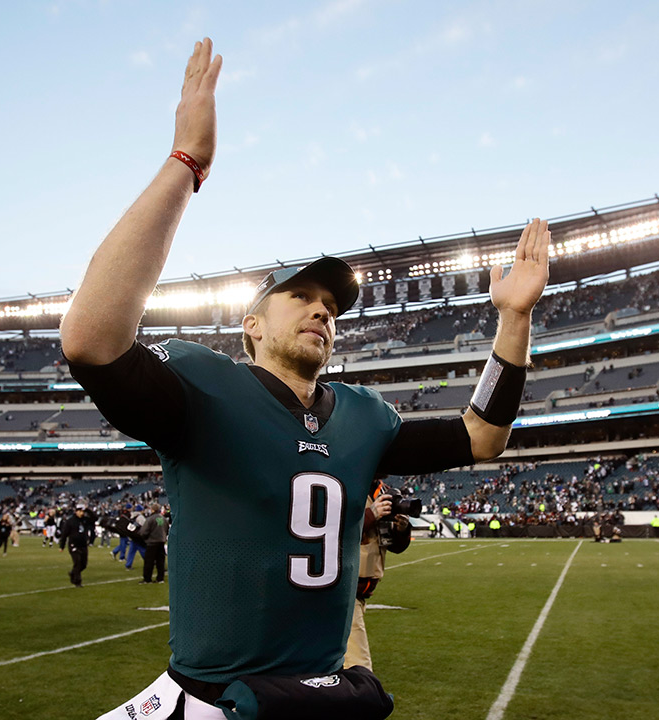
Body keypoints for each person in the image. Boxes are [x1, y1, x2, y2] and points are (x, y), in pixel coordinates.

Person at [64, 39, 544, 719]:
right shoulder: (206, 387)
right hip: (209, 701)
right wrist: (185, 165)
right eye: (302, 297)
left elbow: (483, 438)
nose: (323, 308)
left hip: (320, 698)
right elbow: (89, 338)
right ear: (251, 327)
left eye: (332, 305)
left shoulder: (363, 416)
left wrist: (514, 319)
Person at [344, 482, 411, 671]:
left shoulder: (384, 490)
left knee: (339, 664)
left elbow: (394, 545)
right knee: (360, 667)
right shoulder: (349, 482)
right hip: (345, 589)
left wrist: (402, 530)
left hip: (362, 592)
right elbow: (331, 528)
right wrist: (370, 515)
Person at [58, 503, 93, 587]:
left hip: (83, 545)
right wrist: (62, 546)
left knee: (83, 564)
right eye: (80, 511)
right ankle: (77, 581)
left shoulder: (85, 520)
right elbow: (64, 534)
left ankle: (73, 573)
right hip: (74, 545)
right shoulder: (70, 521)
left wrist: (88, 510)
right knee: (77, 562)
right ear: (76, 511)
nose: (82, 513)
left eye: (83, 511)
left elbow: (95, 518)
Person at [138, 503, 167, 584]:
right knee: (160, 561)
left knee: (149, 562)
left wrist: (144, 538)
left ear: (152, 509)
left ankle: (147, 579)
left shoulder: (150, 519)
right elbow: (167, 529)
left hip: (152, 542)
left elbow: (144, 531)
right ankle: (160, 578)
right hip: (161, 541)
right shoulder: (163, 519)